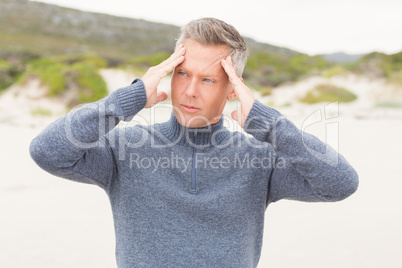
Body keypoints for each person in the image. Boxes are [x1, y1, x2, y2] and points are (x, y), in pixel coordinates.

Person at [30, 17, 358, 268]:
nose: (189, 91)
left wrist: (270, 125)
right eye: (183, 73)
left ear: (232, 90)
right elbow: (47, 151)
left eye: (207, 80)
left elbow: (341, 182)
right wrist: (127, 99)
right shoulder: (125, 149)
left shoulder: (259, 160)